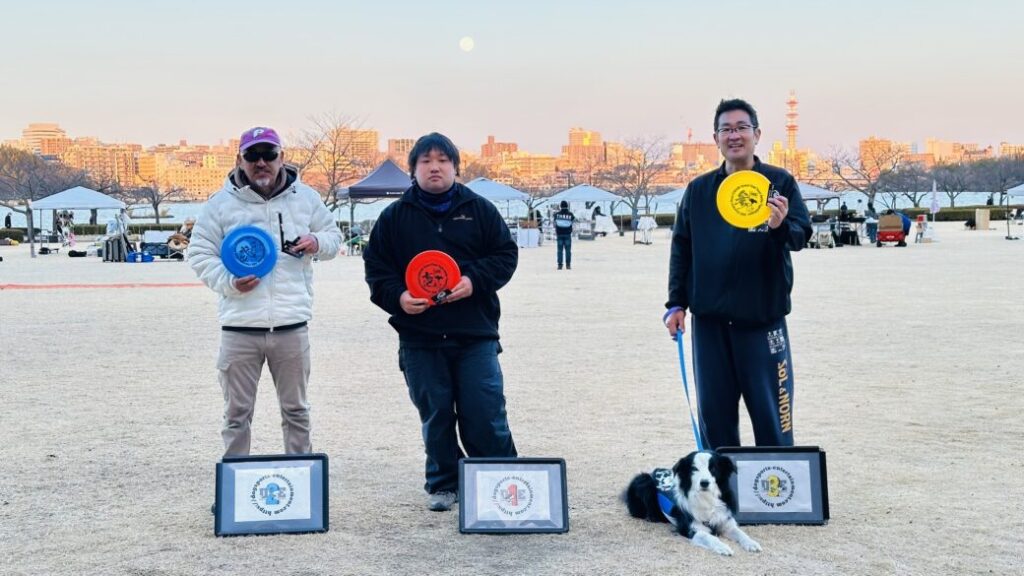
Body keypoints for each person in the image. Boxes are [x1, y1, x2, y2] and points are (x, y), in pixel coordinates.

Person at [363, 132, 519, 512]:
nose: (435, 167)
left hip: (475, 332)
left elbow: (505, 255)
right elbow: (377, 270)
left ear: (455, 167)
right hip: (420, 337)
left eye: (443, 160)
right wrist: (399, 298)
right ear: (413, 170)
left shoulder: (479, 209)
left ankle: (500, 482)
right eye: (426, 161)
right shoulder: (394, 217)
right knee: (435, 414)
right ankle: (444, 483)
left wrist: (474, 281)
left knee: (485, 411)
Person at [665, 98, 811, 449]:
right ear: (715, 138)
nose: (734, 135)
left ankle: (775, 484)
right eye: (726, 129)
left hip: (762, 322)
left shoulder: (779, 182)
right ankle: (722, 485)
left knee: (773, 421)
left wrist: (779, 226)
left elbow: (800, 235)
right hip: (710, 326)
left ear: (757, 134)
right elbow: (682, 247)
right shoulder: (699, 190)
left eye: (742, 127)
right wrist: (676, 303)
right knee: (716, 423)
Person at [188, 126, 342, 461]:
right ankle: (234, 481)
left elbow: (334, 237)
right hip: (239, 326)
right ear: (239, 160)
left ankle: (302, 476)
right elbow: (199, 253)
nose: (261, 162)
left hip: (291, 324)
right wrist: (230, 281)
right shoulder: (219, 204)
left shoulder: (307, 198)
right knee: (236, 415)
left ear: (281, 157)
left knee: (297, 411)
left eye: (269, 154)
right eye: (252, 155)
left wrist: (316, 242)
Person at [553, 200, 576, 269]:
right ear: (567, 206)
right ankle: (568, 265)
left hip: (559, 234)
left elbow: (554, 224)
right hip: (567, 234)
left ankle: (560, 265)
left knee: (559, 250)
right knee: (568, 250)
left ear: (560, 206)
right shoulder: (570, 214)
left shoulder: (556, 214)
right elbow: (574, 223)